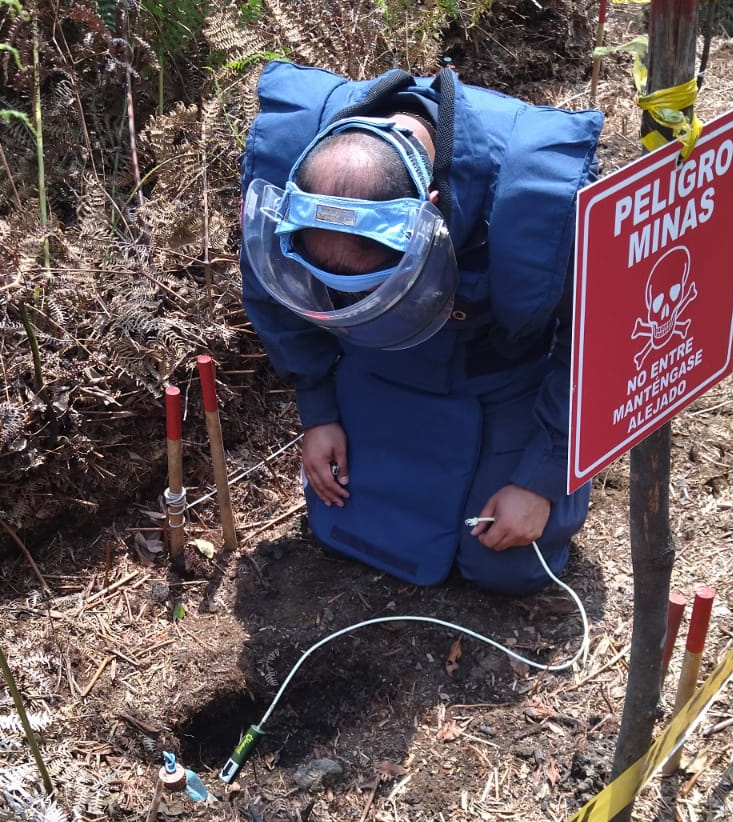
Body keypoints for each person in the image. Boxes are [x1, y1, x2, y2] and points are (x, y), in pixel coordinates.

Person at [239, 61, 602, 594]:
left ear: (426, 215)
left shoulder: (540, 198)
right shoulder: (284, 165)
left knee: (504, 566)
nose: (349, 299)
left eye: (367, 286)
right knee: (346, 530)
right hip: (378, 368)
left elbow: (594, 343)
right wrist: (318, 412)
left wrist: (541, 481)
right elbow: (272, 299)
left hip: (499, 379)